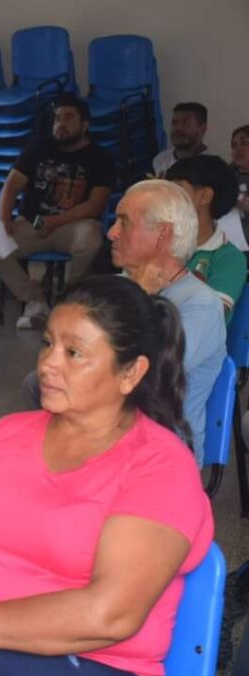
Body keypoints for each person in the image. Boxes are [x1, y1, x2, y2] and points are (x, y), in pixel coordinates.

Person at [0, 275, 214, 676]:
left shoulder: (161, 466)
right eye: (48, 344)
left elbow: (110, 614)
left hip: (93, 668)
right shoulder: (6, 436)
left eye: (73, 352)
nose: (47, 364)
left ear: (131, 373)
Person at [107, 180, 225, 464]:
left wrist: (141, 296)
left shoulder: (200, 305)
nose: (111, 233)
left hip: (160, 455)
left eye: (124, 222)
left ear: (162, 234)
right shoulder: (114, 287)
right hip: (104, 435)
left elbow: (145, 377)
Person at [0, 93, 115, 330]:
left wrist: (55, 222)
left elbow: (95, 205)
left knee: (90, 240)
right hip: (32, 225)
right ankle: (35, 302)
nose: (60, 124)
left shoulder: (101, 158)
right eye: (57, 118)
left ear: (85, 124)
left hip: (74, 226)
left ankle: (69, 302)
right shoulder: (38, 147)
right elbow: (11, 186)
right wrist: (3, 218)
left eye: (68, 118)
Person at [165, 155, 246, 319]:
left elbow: (207, 319)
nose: (167, 198)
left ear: (205, 196)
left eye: (178, 189)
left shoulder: (229, 258)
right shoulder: (159, 243)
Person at [153, 102, 209, 178]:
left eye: (186, 124)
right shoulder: (160, 160)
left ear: (202, 129)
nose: (178, 128)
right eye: (174, 123)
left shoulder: (213, 167)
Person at [231, 124, 249, 245]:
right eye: (234, 145)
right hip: (230, 244)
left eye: (244, 143)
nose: (238, 149)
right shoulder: (224, 176)